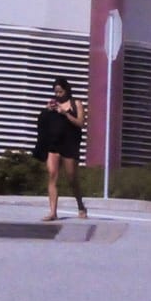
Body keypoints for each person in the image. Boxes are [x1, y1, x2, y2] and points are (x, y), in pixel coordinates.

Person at [34, 75, 87, 221]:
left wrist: (65, 113)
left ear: (67, 90)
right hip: (54, 144)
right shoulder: (53, 104)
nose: (58, 95)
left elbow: (81, 123)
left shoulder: (76, 104)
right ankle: (53, 212)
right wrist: (46, 110)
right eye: (56, 92)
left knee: (72, 179)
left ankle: (80, 205)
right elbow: (41, 122)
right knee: (52, 175)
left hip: (69, 144)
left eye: (60, 92)